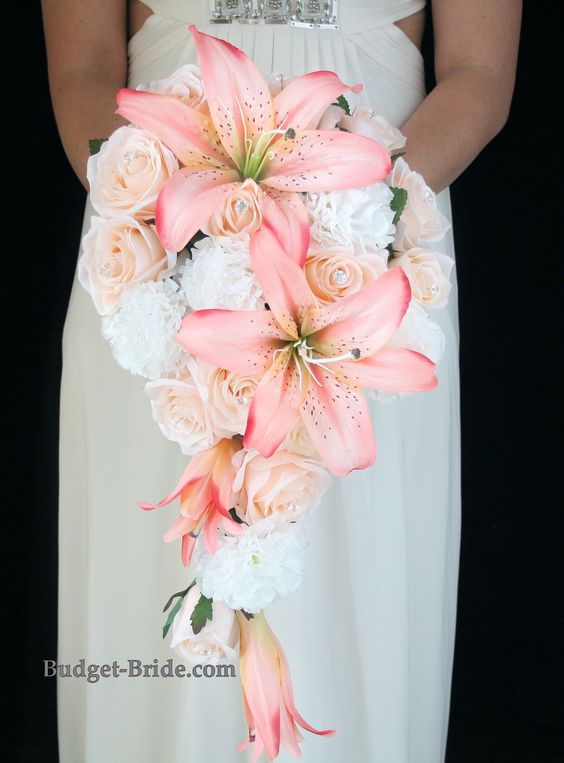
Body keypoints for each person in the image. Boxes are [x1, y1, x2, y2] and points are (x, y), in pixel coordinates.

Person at [41, 1, 521, 761]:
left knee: (351, 608)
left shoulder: (369, 225)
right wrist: (170, 231)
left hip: (374, 255)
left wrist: (358, 214)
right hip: (160, 265)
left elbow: (481, 74)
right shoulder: (162, 250)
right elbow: (82, 70)